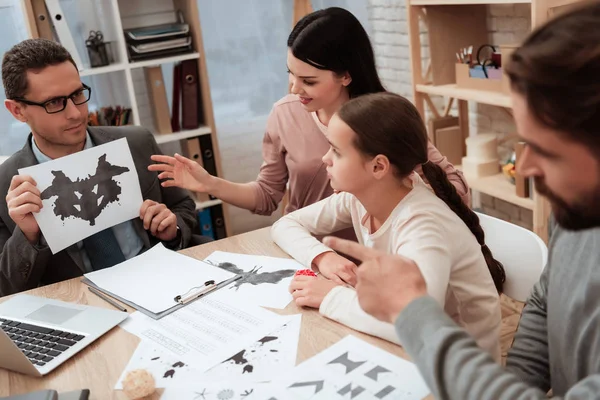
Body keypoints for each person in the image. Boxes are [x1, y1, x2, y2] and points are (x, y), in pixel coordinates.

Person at [323, 2, 600, 398]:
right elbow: (544, 301)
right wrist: (512, 382)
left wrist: (412, 311)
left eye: (546, 149)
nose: (523, 167)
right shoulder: (578, 203)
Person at [148, 7, 469, 220]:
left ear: (346, 74)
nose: (293, 89)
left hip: (377, 251)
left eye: (308, 81)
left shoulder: (388, 115)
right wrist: (211, 184)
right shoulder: (284, 115)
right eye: (290, 74)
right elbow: (267, 196)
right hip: (306, 246)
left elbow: (454, 186)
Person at [271, 92, 505, 360]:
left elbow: (416, 322)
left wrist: (331, 296)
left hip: (461, 372)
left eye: (336, 150)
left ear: (379, 166)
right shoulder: (357, 198)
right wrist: (323, 258)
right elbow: (285, 225)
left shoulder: (422, 224)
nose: (325, 158)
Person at [0, 39, 197, 296]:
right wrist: (27, 235)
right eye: (54, 103)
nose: (75, 113)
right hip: (82, 304)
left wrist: (173, 230)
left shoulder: (137, 142)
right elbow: (8, 286)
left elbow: (184, 207)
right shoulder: (7, 185)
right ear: (17, 110)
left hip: (161, 280)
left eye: (78, 94)